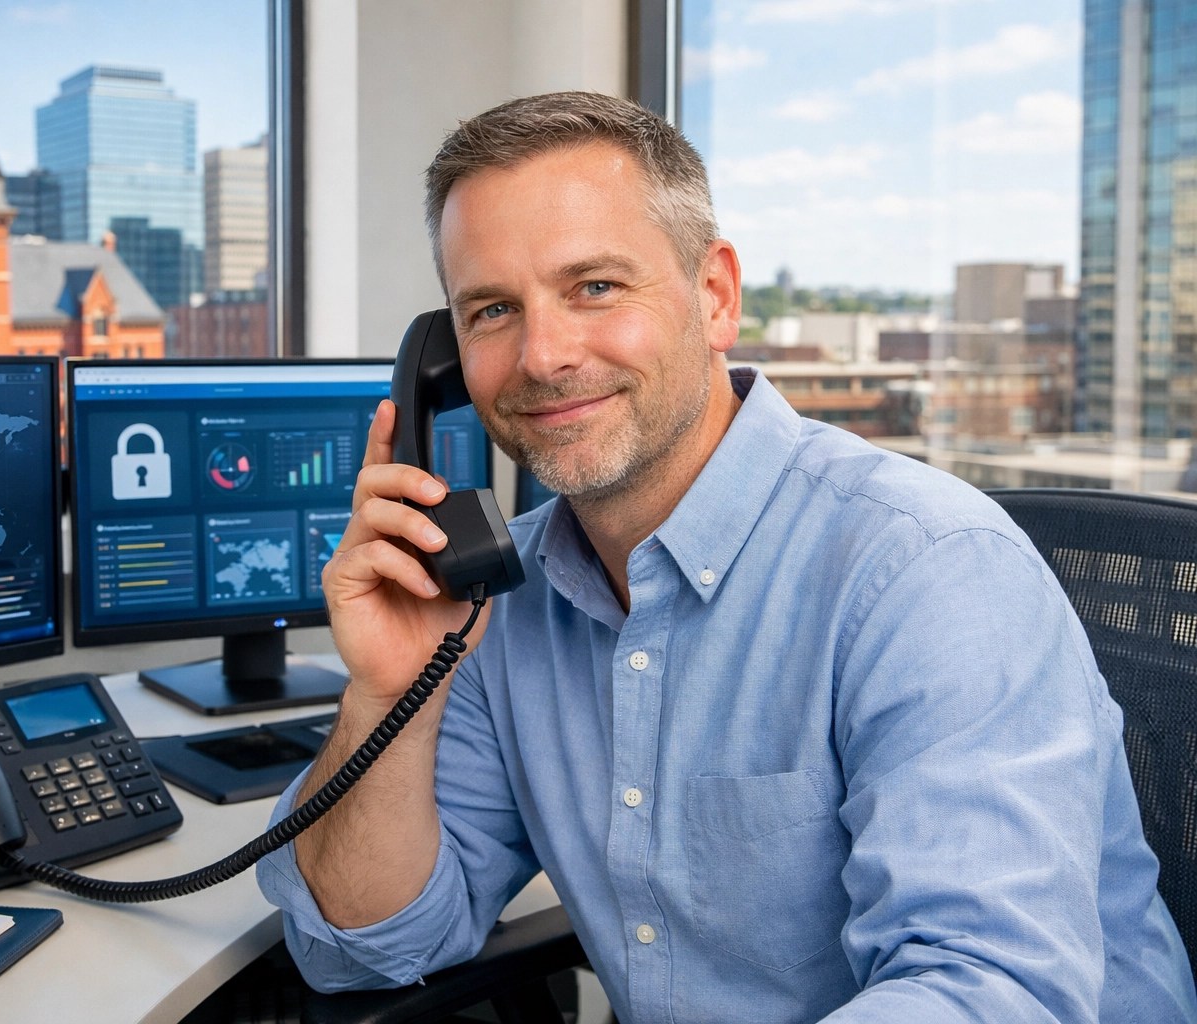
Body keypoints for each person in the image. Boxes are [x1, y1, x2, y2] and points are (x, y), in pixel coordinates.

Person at [255, 91, 1197, 1022]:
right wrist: (388, 697)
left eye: (595, 287)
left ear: (714, 296)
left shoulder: (928, 570)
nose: (542, 355)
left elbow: (991, 993)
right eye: (493, 310)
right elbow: (363, 949)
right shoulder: (497, 603)